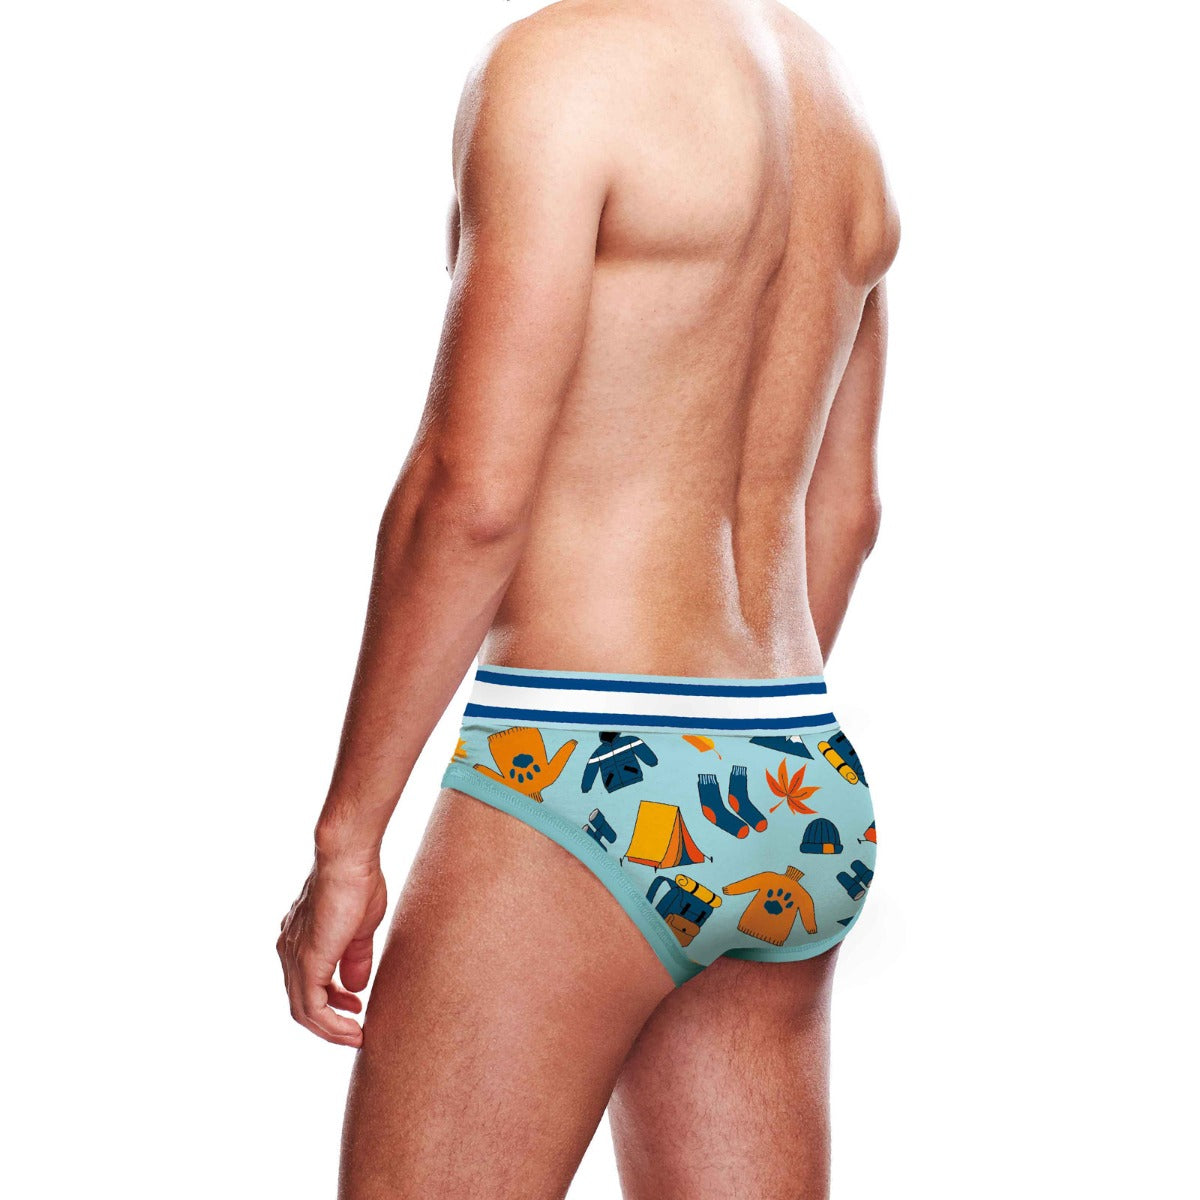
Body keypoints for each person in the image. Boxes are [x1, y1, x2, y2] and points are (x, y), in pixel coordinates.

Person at [277, 0, 899, 1195]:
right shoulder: (835, 100)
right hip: (791, 772)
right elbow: (848, 513)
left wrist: (346, 840)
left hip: (580, 766)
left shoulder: (561, 67)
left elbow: (470, 494)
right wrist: (726, 766)